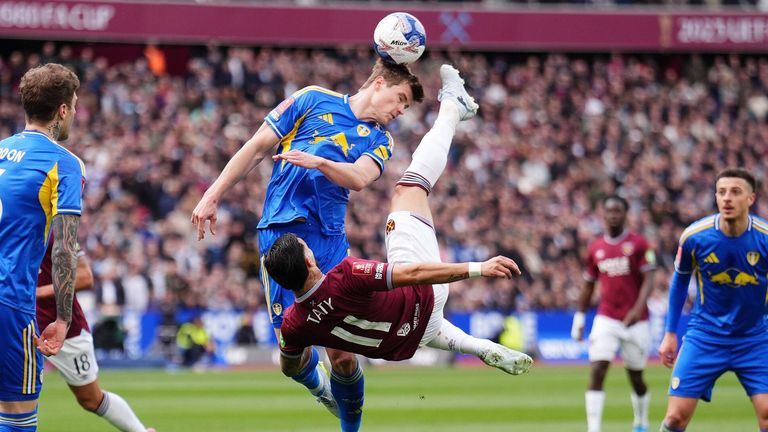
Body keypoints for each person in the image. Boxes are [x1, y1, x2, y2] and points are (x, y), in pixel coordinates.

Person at [263, 65, 533, 431]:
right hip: (425, 298)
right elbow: (415, 274)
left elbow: (289, 364)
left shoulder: (295, 325)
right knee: (409, 188)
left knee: (410, 325)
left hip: (404, 343)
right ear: (310, 257)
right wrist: (478, 268)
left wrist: (312, 380)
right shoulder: (343, 275)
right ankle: (454, 105)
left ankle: (476, 347)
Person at [191, 59, 425, 430]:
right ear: (378, 84)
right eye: (400, 99)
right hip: (279, 236)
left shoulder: (381, 139)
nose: (400, 111)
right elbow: (256, 147)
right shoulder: (311, 98)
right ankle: (317, 386)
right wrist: (213, 194)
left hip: (329, 244)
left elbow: (361, 178)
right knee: (291, 358)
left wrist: (318, 162)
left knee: (343, 356)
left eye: (406, 108)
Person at [0, 63, 83, 431]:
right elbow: (65, 249)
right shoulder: (64, 164)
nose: (74, 115)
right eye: (75, 106)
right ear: (62, 110)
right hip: (10, 299)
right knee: (18, 417)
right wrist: (63, 319)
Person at [658, 167, 768, 432]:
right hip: (705, 336)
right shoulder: (695, 237)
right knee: (674, 418)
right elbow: (680, 281)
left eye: (735, 192)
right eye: (721, 192)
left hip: (755, 339)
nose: (727, 198)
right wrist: (670, 332)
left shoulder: (764, 238)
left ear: (751, 199)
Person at [36, 239, 155, 432]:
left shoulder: (57, 229)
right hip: (16, 320)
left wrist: (35, 292)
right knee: (14, 394)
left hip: (64, 327)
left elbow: (85, 277)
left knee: (90, 399)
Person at [571, 195, 657, 432]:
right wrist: (579, 318)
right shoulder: (596, 248)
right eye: (609, 211)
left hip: (636, 321)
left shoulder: (640, 244)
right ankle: (594, 428)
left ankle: (640, 421)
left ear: (625, 214)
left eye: (618, 211)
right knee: (598, 370)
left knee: (636, 377)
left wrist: (637, 310)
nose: (613, 215)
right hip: (606, 317)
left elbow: (649, 280)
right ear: (603, 214)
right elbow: (589, 284)